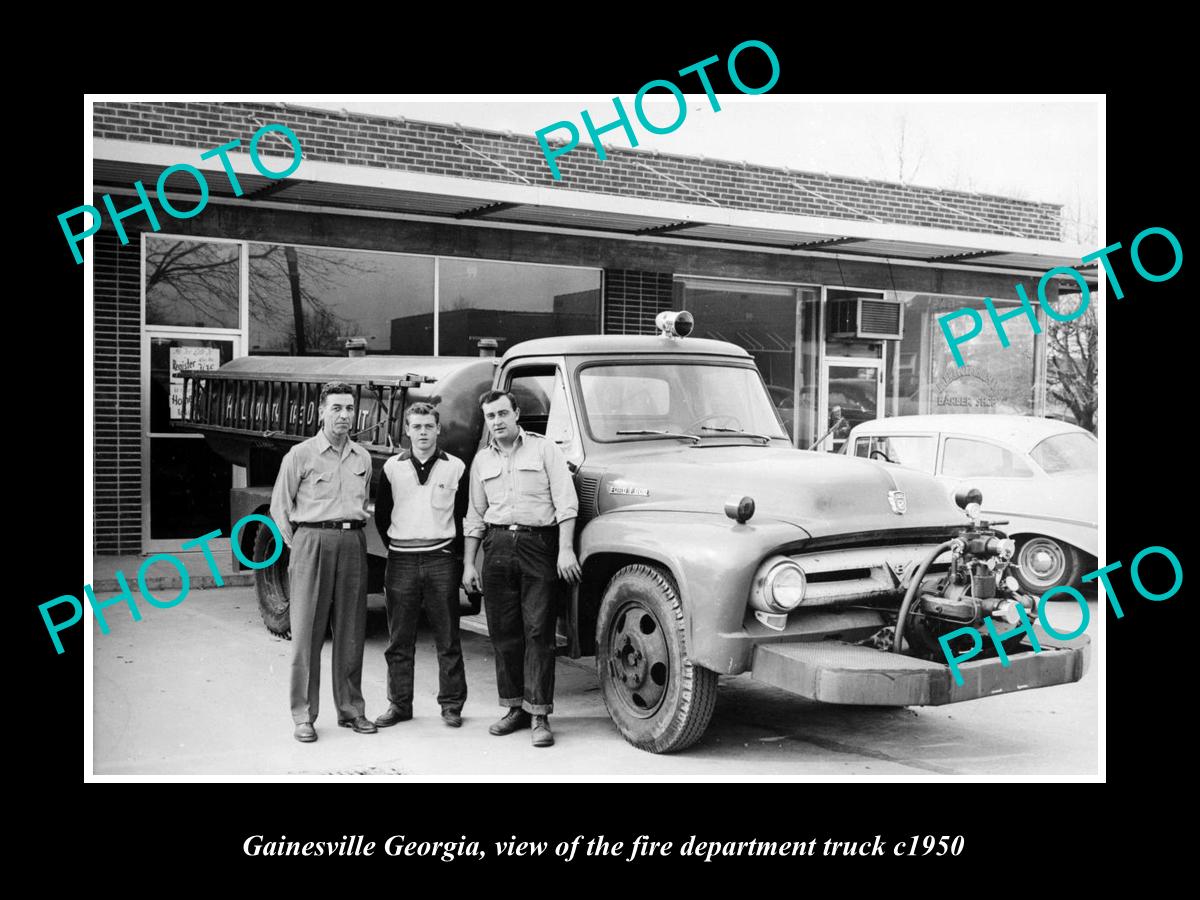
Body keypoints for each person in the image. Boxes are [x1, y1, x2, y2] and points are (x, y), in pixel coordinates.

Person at [462, 390, 581, 748]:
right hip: (496, 547)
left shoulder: (545, 450)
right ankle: (515, 708)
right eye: (490, 416)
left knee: (538, 631)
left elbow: (566, 503)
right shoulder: (481, 461)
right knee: (503, 631)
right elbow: (474, 516)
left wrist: (565, 550)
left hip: (539, 546)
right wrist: (469, 563)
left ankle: (540, 713)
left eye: (502, 414)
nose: (497, 422)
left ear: (517, 414)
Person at [269, 381, 377, 743]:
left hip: (352, 542)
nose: (344, 415)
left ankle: (351, 709)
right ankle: (304, 715)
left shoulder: (362, 457)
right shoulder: (300, 455)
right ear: (321, 411)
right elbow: (280, 508)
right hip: (312, 541)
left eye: (349, 408)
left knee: (351, 631)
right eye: (336, 408)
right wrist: (300, 544)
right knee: (306, 634)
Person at [373, 402, 469, 729]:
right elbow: (382, 516)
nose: (423, 433)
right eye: (417, 427)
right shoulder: (392, 468)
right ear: (407, 430)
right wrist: (400, 546)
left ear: (438, 429)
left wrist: (450, 553)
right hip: (400, 560)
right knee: (399, 639)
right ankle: (399, 705)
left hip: (441, 558)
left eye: (429, 426)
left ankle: (452, 706)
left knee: (448, 637)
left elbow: (463, 514)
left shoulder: (456, 467)